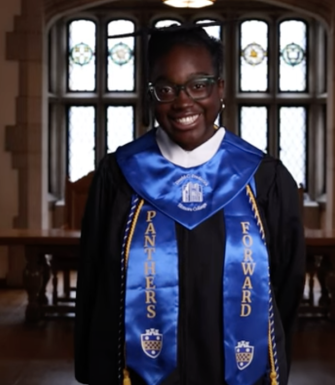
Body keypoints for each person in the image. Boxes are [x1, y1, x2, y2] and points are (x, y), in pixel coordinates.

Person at [74, 24, 305, 385]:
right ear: (151, 95)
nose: (183, 102)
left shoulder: (264, 178)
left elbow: (287, 284)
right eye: (166, 89)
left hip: (236, 366)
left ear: (220, 89)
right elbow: (93, 279)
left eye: (199, 85)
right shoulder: (118, 176)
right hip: (134, 371)